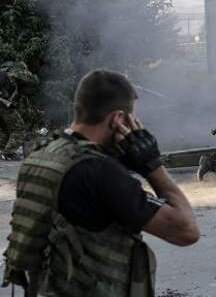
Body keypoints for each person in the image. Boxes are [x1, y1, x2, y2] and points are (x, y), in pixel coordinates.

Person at [2, 69, 200, 297]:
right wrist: (152, 166)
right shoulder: (99, 172)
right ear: (117, 119)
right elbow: (186, 230)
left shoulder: (41, 156)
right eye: (131, 119)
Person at [0, 61, 38, 161]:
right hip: (3, 104)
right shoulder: (16, 71)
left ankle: (1, 150)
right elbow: (33, 80)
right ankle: (9, 153)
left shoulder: (3, 73)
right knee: (19, 128)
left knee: (4, 128)